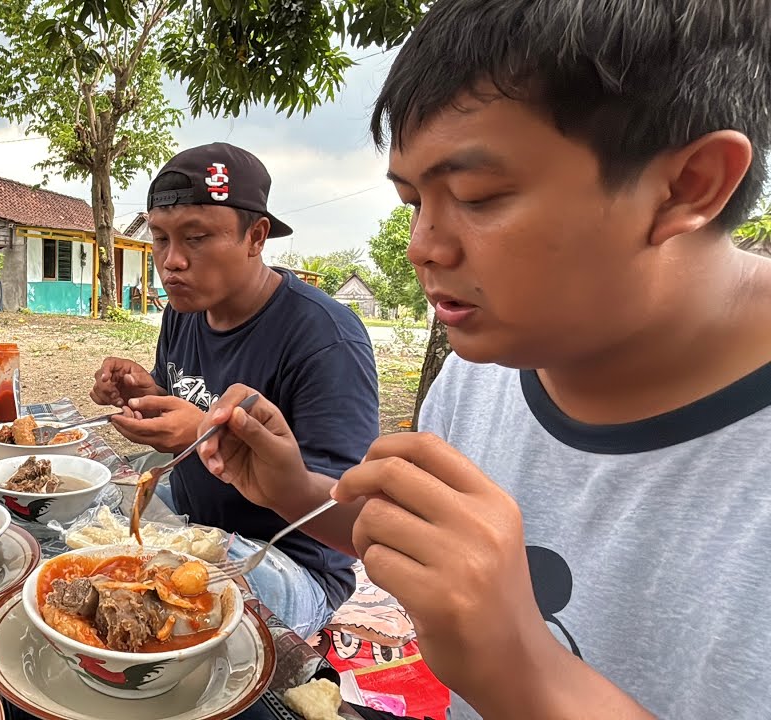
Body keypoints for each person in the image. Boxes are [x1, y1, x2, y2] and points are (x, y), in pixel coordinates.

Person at [196, 0, 771, 717]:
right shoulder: (485, 369)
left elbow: (504, 645)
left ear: (689, 185)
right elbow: (434, 559)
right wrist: (295, 491)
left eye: (477, 195)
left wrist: (523, 671)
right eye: (413, 201)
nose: (422, 247)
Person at [90, 142, 380, 637]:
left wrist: (197, 435)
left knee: (139, 613)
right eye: (160, 239)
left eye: (197, 238)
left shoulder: (325, 338)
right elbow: (194, 401)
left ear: (256, 236)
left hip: (286, 562)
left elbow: (354, 514)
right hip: (191, 529)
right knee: (84, 550)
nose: (171, 261)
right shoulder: (183, 313)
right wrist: (148, 391)